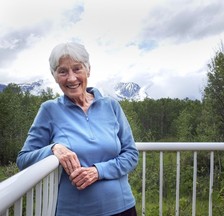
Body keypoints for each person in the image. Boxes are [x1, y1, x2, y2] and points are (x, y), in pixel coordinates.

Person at [16, 42, 139, 216]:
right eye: (63, 71)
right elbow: (23, 159)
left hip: (122, 207)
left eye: (77, 69)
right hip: (74, 212)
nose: (71, 78)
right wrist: (53, 149)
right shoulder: (49, 109)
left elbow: (131, 155)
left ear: (88, 70)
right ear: (55, 76)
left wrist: (98, 171)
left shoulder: (111, 106)